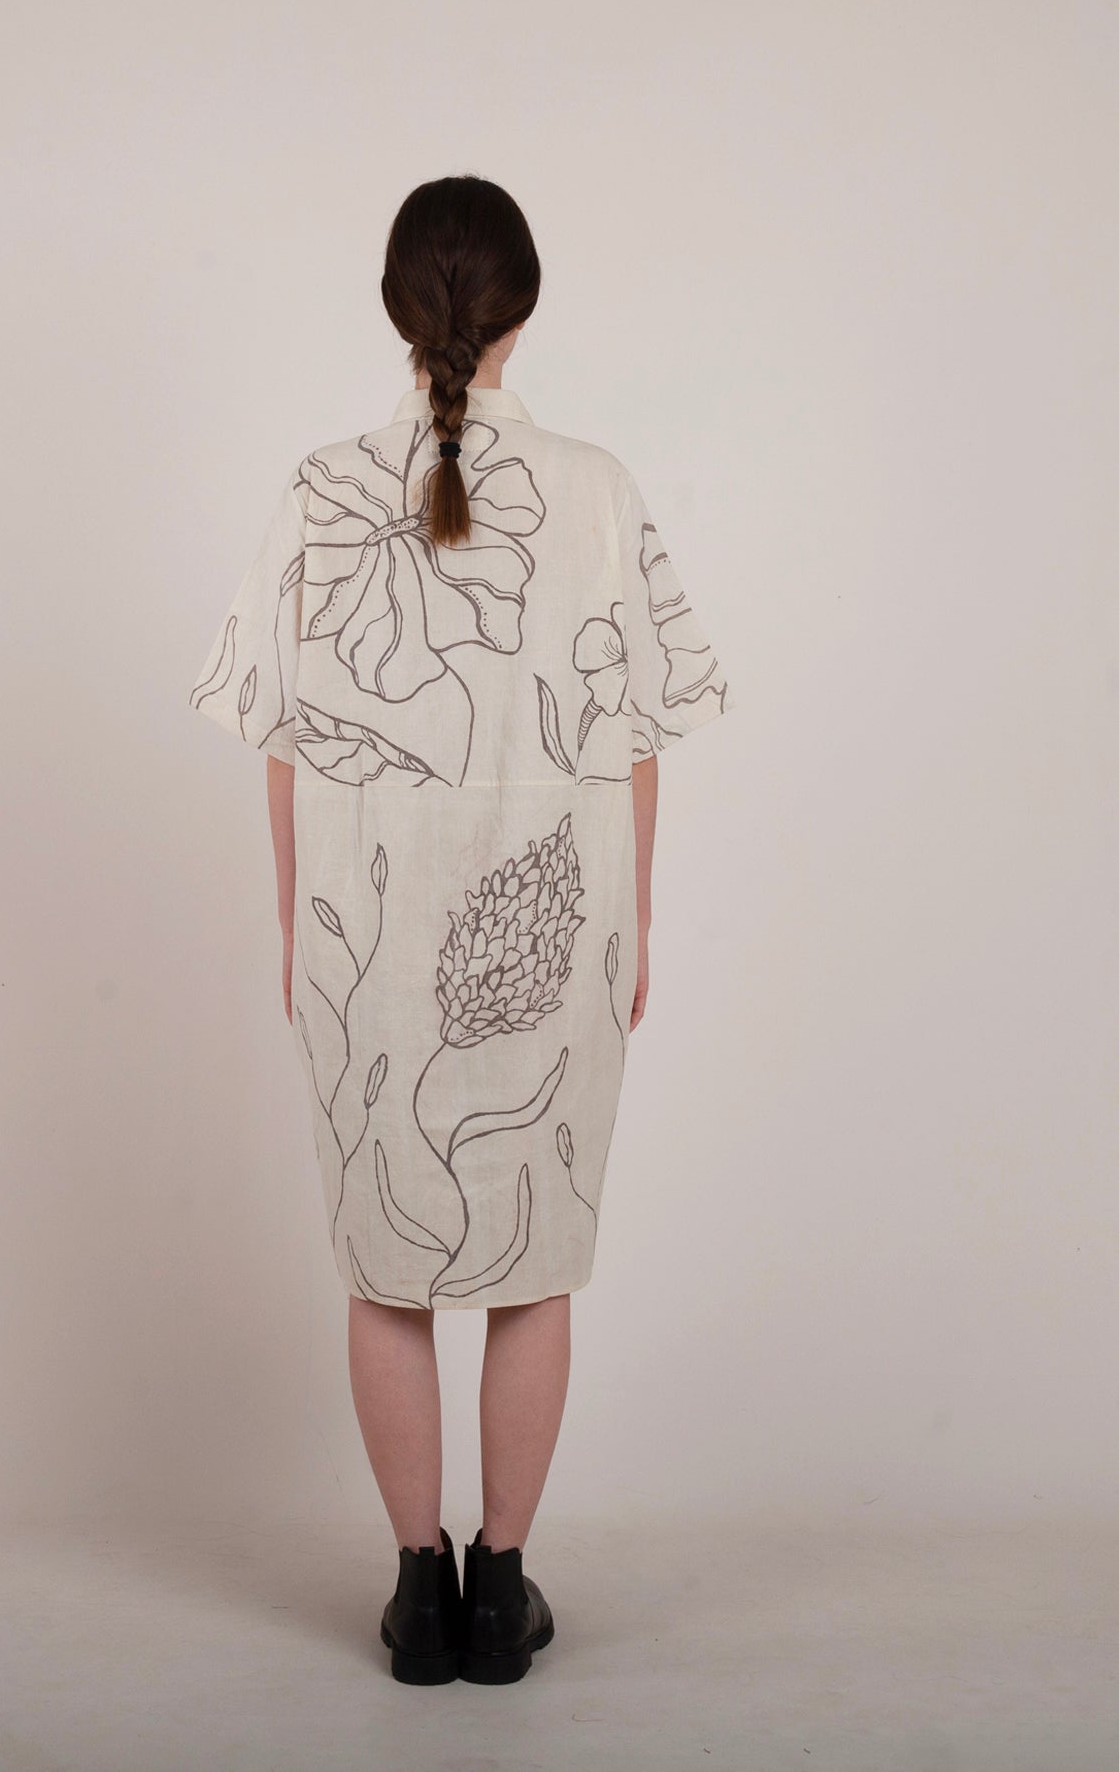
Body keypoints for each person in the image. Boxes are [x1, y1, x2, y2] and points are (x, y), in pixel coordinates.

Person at [190, 174, 732, 1685]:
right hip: (561, 936)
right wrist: (634, 921)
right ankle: (502, 1590)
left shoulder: (320, 488)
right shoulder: (599, 490)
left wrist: (296, 928)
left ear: (394, 308)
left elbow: (280, 736)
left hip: (358, 938)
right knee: (530, 1264)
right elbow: (638, 733)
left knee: (385, 1271)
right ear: (523, 309)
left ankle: (416, 1594)